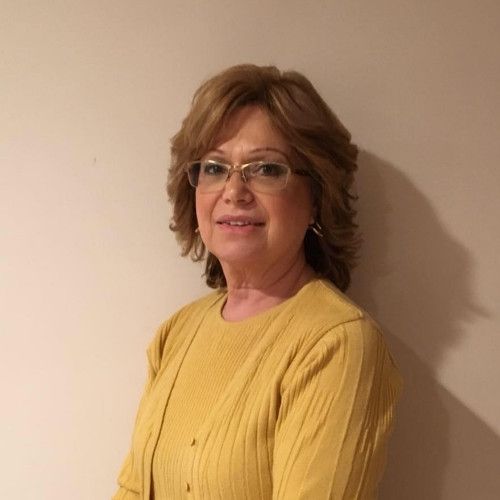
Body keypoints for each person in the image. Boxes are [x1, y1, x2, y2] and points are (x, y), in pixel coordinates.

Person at [113, 64, 402, 500]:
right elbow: (133, 490)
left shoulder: (337, 344)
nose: (234, 191)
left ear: (316, 197)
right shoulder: (177, 332)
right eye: (214, 168)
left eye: (265, 169)